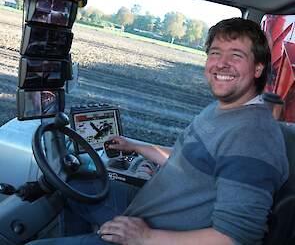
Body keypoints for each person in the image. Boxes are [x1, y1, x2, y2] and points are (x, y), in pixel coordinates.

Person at [27, 18, 289, 245]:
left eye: (236, 55)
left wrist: (145, 237)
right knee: (72, 185)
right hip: (145, 209)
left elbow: (237, 237)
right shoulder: (225, 108)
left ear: (258, 68)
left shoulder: (252, 136)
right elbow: (189, 160)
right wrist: (136, 146)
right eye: (215, 52)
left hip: (158, 234)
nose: (221, 63)